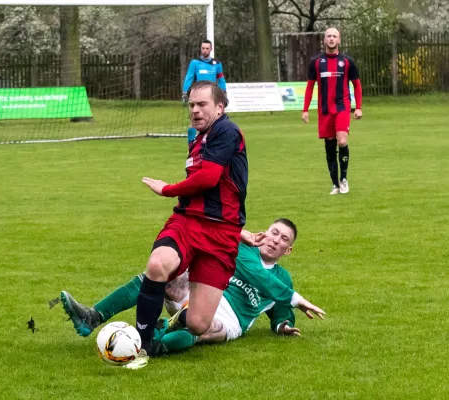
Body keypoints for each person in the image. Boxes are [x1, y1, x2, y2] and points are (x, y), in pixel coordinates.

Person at [60, 218, 325, 358]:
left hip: (230, 319)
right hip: (203, 292)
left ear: (288, 250)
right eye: (274, 232)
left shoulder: (283, 279)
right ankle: (91, 316)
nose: (276, 240)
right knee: (160, 276)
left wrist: (283, 325)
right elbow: (257, 276)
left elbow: (279, 310)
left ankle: (150, 347)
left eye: (284, 239)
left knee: (206, 329)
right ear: (264, 233)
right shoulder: (244, 251)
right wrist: (295, 298)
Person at [129, 80, 247, 369]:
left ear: (220, 107)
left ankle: (220, 329)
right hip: (188, 221)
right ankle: (142, 348)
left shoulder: (226, 130)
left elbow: (208, 178)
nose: (195, 110)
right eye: (191, 105)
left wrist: (167, 188)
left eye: (202, 104)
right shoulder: (198, 137)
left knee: (197, 323)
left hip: (221, 233)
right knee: (158, 265)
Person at [302, 27, 363, 195]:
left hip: (342, 107)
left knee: (342, 141)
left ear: (339, 40)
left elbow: (357, 85)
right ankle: (335, 184)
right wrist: (305, 109)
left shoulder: (347, 61)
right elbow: (309, 87)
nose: (331, 38)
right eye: (328, 36)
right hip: (325, 110)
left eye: (334, 36)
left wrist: (358, 107)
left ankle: (344, 179)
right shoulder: (316, 62)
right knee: (330, 147)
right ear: (324, 40)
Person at [182, 40, 227, 143]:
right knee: (194, 120)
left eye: (207, 48)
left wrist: (224, 92)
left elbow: (221, 79)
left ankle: (214, 142)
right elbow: (189, 77)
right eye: (203, 48)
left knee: (216, 119)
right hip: (199, 96)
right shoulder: (195, 63)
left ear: (211, 49)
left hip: (212, 95)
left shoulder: (217, 64)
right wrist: (185, 92)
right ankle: (191, 144)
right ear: (200, 49)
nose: (205, 50)